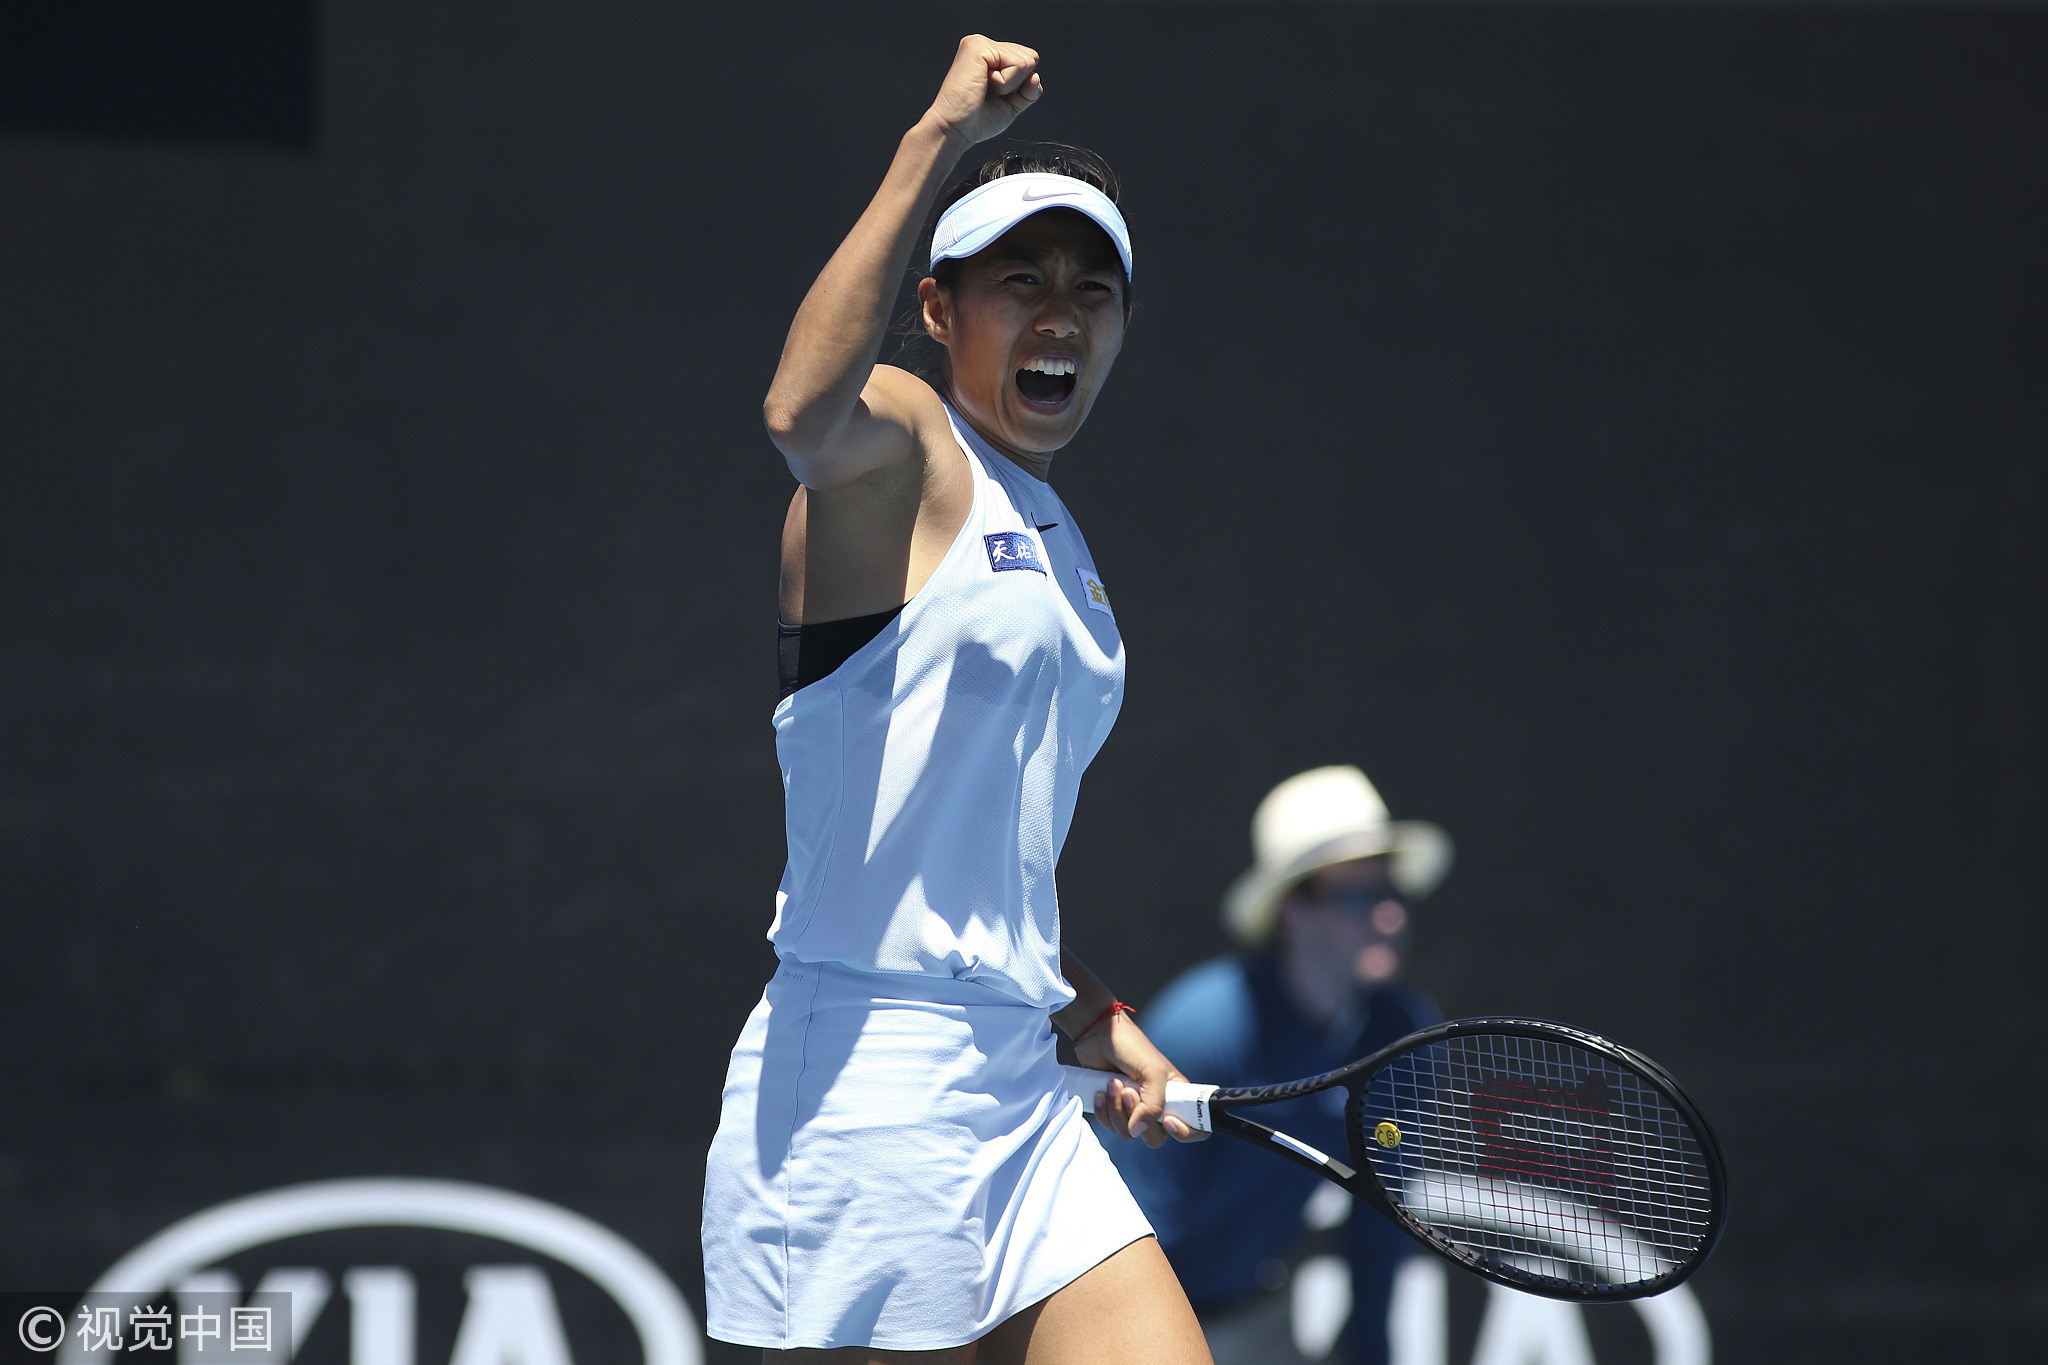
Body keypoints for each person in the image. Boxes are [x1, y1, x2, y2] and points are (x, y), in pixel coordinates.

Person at [700, 36, 1213, 1365]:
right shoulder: (906, 449)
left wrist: (1092, 1014)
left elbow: (969, 867)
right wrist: (936, 137)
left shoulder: (1061, 546)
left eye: (1092, 289)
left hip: (1017, 1079)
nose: (1060, 314)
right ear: (938, 309)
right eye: (1019, 280)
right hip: (868, 1089)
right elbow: (799, 411)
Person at [1101, 766, 1454, 1365]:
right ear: (1293, 910)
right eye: (1356, 895)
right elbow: (1135, 1231)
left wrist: (1371, 1353)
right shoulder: (1204, 1028)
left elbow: (1379, 1222)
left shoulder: (1401, 1035)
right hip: (1140, 1326)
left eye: (1392, 891)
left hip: (1257, 1316)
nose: (1390, 916)